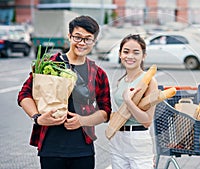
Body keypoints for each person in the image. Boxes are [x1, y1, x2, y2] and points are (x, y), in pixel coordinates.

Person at [17, 15, 111, 169]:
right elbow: (24, 94)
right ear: (69, 36)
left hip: (83, 150)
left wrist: (82, 121)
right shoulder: (49, 64)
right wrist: (38, 118)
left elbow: (106, 111)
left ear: (94, 41)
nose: (82, 43)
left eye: (88, 39)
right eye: (77, 37)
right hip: (50, 147)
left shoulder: (97, 73)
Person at [109, 34, 158, 169]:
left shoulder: (149, 81)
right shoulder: (121, 81)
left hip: (138, 139)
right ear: (120, 54)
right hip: (117, 138)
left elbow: (147, 121)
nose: (130, 56)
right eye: (126, 52)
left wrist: (128, 101)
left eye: (136, 52)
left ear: (143, 56)